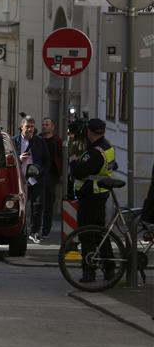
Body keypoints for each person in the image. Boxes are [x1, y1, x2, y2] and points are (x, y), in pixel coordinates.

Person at [69, 118, 117, 283]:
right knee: (100, 234)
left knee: (86, 234)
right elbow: (113, 166)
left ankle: (89, 271)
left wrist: (74, 161)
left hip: (91, 196)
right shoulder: (107, 147)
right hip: (101, 193)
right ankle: (109, 269)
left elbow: (79, 172)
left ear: (90, 132)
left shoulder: (95, 152)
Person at [13, 116, 50, 244]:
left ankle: (34, 232)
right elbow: (7, 158)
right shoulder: (14, 141)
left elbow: (47, 160)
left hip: (36, 179)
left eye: (32, 127)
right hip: (20, 179)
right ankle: (19, 230)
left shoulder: (39, 142)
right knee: (19, 206)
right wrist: (18, 158)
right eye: (27, 126)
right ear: (21, 127)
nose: (30, 129)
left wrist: (41, 172)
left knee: (37, 206)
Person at [40, 117, 63, 239]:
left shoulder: (57, 141)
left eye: (47, 124)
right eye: (43, 124)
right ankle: (35, 228)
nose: (44, 126)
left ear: (52, 127)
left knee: (48, 205)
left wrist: (62, 174)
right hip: (38, 176)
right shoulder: (38, 139)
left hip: (52, 176)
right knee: (38, 203)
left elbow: (61, 157)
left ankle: (45, 230)